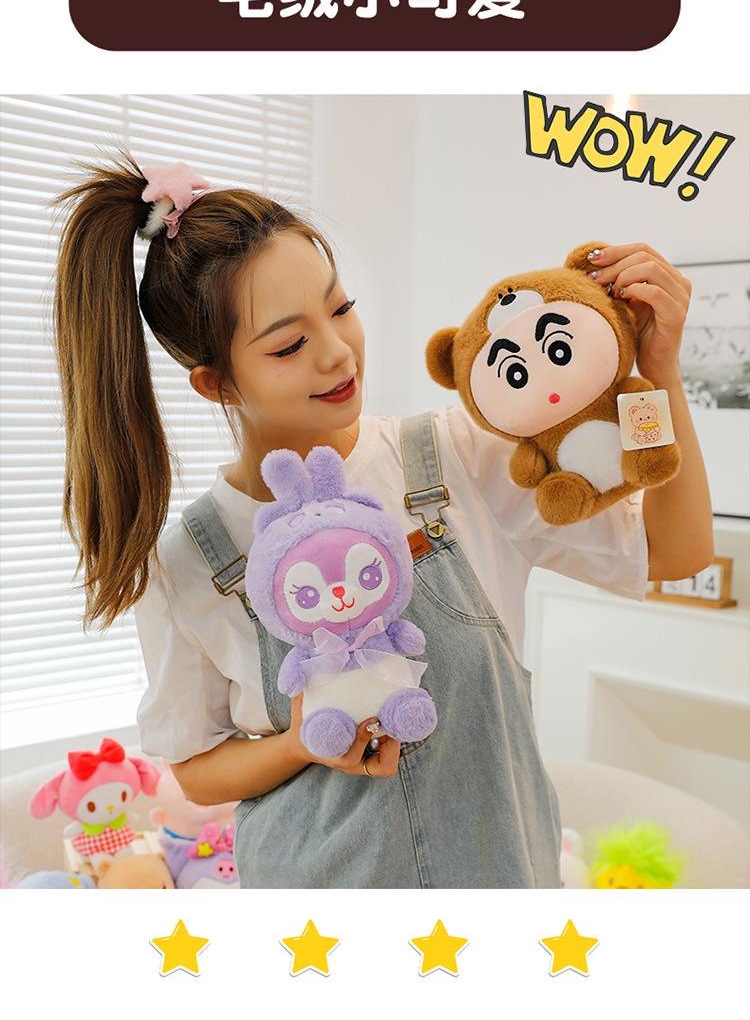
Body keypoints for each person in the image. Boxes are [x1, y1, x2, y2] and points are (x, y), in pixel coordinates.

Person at [53, 153, 714, 889]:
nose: (338, 353)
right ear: (217, 384)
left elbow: (676, 551)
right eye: (290, 344)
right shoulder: (190, 562)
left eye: (340, 309)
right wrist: (299, 743)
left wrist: (661, 371)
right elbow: (197, 768)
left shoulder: (460, 455)